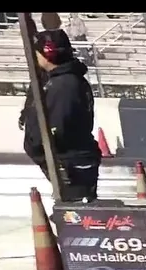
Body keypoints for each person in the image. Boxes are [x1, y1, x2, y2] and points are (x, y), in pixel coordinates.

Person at [23, 29, 101, 202]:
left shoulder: (64, 85)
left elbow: (59, 126)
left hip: (69, 162)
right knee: (72, 208)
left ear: (47, 54)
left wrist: (36, 144)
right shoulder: (60, 80)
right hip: (68, 160)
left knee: (75, 211)